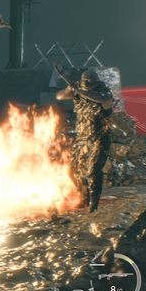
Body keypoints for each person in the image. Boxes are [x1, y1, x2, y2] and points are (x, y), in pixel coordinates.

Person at [56, 68, 113, 212]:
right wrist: (70, 88)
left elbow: (101, 99)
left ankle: (94, 205)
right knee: (72, 170)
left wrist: (81, 91)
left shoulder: (104, 93)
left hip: (99, 138)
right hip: (82, 138)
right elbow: (60, 96)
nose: (87, 83)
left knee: (93, 171)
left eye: (89, 81)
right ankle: (84, 197)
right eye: (85, 81)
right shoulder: (78, 91)